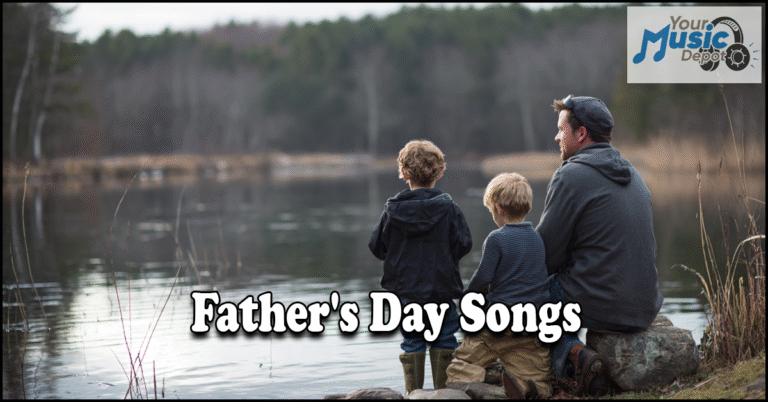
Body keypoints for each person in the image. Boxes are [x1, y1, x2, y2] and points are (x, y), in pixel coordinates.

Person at [536, 95, 663, 396]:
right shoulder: (634, 174)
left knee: (532, 290)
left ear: (581, 134)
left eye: (561, 130)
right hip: (644, 307)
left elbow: (544, 256)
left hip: (602, 306)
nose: (556, 137)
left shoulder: (570, 175)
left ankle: (573, 355)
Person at [368, 139, 472, 394]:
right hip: (441, 289)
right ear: (439, 173)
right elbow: (465, 243)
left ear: (403, 173)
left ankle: (412, 394)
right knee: (445, 337)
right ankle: (444, 394)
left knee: (412, 341)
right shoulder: (449, 208)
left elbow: (376, 246)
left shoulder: (392, 211)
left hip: (406, 292)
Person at [445, 172, 552, 399]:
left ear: (499, 209)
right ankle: (526, 388)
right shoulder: (537, 238)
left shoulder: (496, 238)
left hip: (498, 324)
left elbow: (483, 278)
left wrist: (468, 298)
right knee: (536, 372)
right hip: (530, 324)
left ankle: (477, 388)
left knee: (464, 363)